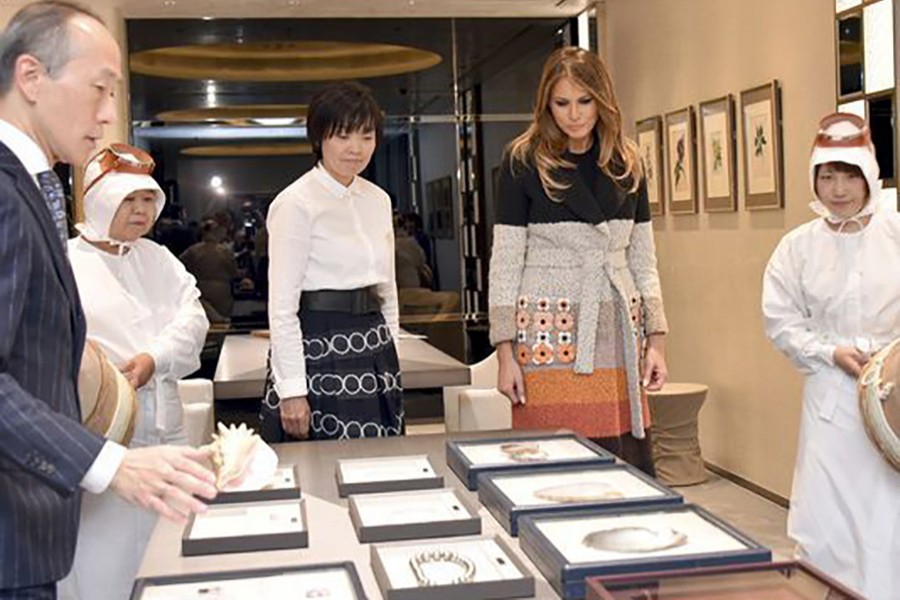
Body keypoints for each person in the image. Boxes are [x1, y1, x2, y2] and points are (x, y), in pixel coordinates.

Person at [0, 4, 216, 599]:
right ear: (31, 77)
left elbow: (190, 316)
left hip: (56, 500)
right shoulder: (5, 192)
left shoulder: (31, 187)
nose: (106, 114)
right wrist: (107, 461)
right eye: (99, 89)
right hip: (27, 512)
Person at [488, 47, 668, 474]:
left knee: (619, 464)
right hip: (550, 331)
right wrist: (504, 352)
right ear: (546, 104)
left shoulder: (629, 162)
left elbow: (644, 258)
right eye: (562, 103)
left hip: (617, 325)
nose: (574, 114)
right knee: (551, 462)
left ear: (602, 100)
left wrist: (656, 341)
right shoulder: (522, 161)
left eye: (584, 101)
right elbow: (506, 259)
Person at [59, 144, 209, 600]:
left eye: (148, 200)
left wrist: (154, 359)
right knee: (105, 559)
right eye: (129, 200)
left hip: (170, 429)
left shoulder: (157, 258)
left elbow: (194, 319)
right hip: (105, 439)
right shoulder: (66, 262)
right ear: (100, 199)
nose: (142, 211)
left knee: (176, 552)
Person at [762, 112, 900, 597]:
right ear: (813, 178)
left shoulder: (896, 232)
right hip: (830, 400)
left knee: (887, 516)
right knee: (830, 515)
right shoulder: (797, 248)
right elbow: (780, 321)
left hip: (894, 401)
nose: (838, 188)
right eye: (827, 175)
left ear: (868, 174)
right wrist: (827, 350)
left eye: (848, 174)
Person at [261, 81, 403, 442]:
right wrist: (292, 388)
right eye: (342, 136)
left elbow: (388, 288)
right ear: (319, 137)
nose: (355, 148)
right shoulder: (295, 203)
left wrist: (393, 353)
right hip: (319, 344)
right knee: (321, 470)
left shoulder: (378, 200)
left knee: (382, 466)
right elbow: (281, 306)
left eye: (366, 136)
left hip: (375, 346)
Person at [179, 218, 239, 321]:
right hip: (222, 291)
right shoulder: (225, 251)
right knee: (222, 323)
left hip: (201, 289)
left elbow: (180, 268)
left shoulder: (192, 250)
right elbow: (234, 272)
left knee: (203, 322)